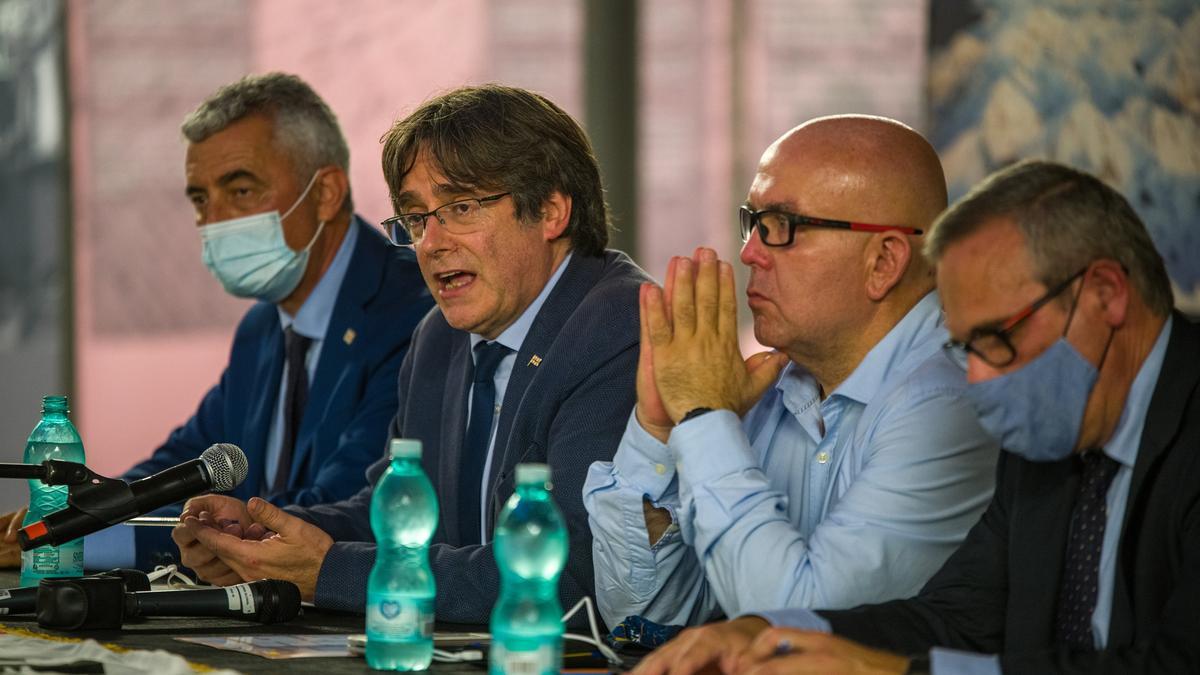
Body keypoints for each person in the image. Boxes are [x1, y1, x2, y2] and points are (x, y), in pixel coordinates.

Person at [635, 160, 1200, 674]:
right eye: (964, 347)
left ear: (1105, 293)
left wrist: (896, 674)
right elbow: (959, 617)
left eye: (996, 339)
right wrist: (771, 632)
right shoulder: (1051, 440)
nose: (977, 378)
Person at [169, 84, 653, 623]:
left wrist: (328, 570)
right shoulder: (438, 337)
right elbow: (393, 515)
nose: (431, 243)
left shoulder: (618, 325)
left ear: (551, 210)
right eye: (417, 218)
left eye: (461, 207)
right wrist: (261, 537)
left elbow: (568, 578)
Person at [0, 72, 432, 570]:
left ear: (327, 192)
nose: (216, 221)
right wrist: (72, 520)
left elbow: (341, 508)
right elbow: (181, 467)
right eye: (201, 200)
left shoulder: (414, 312)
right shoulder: (262, 328)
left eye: (241, 190)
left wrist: (82, 545)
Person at [584, 115, 999, 630]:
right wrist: (659, 428)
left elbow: (800, 622)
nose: (749, 252)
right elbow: (644, 616)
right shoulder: (774, 387)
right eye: (752, 221)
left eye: (784, 226)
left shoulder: (949, 402)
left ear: (884, 262)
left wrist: (706, 415)